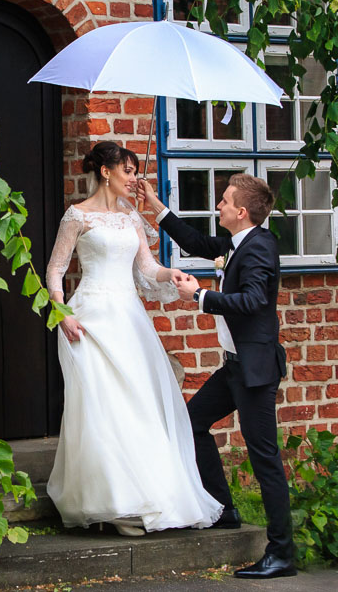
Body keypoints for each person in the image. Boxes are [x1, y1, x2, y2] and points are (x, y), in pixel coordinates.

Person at [45, 141, 223, 537]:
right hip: (89, 320)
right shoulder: (76, 216)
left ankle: (147, 497)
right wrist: (62, 313)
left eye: (135, 171)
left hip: (128, 318)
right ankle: (112, 503)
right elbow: (55, 270)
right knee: (100, 406)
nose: (134, 179)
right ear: (105, 172)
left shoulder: (130, 218)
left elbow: (147, 267)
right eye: (128, 171)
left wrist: (171, 276)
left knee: (138, 405)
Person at [138, 173, 296, 579]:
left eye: (225, 201)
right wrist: (156, 206)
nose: (218, 206)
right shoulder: (234, 243)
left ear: (241, 212)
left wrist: (200, 296)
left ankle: (282, 553)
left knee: (265, 459)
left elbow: (254, 300)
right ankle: (224, 509)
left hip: (254, 371)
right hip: (233, 367)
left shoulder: (259, 247)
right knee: (193, 423)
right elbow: (197, 243)